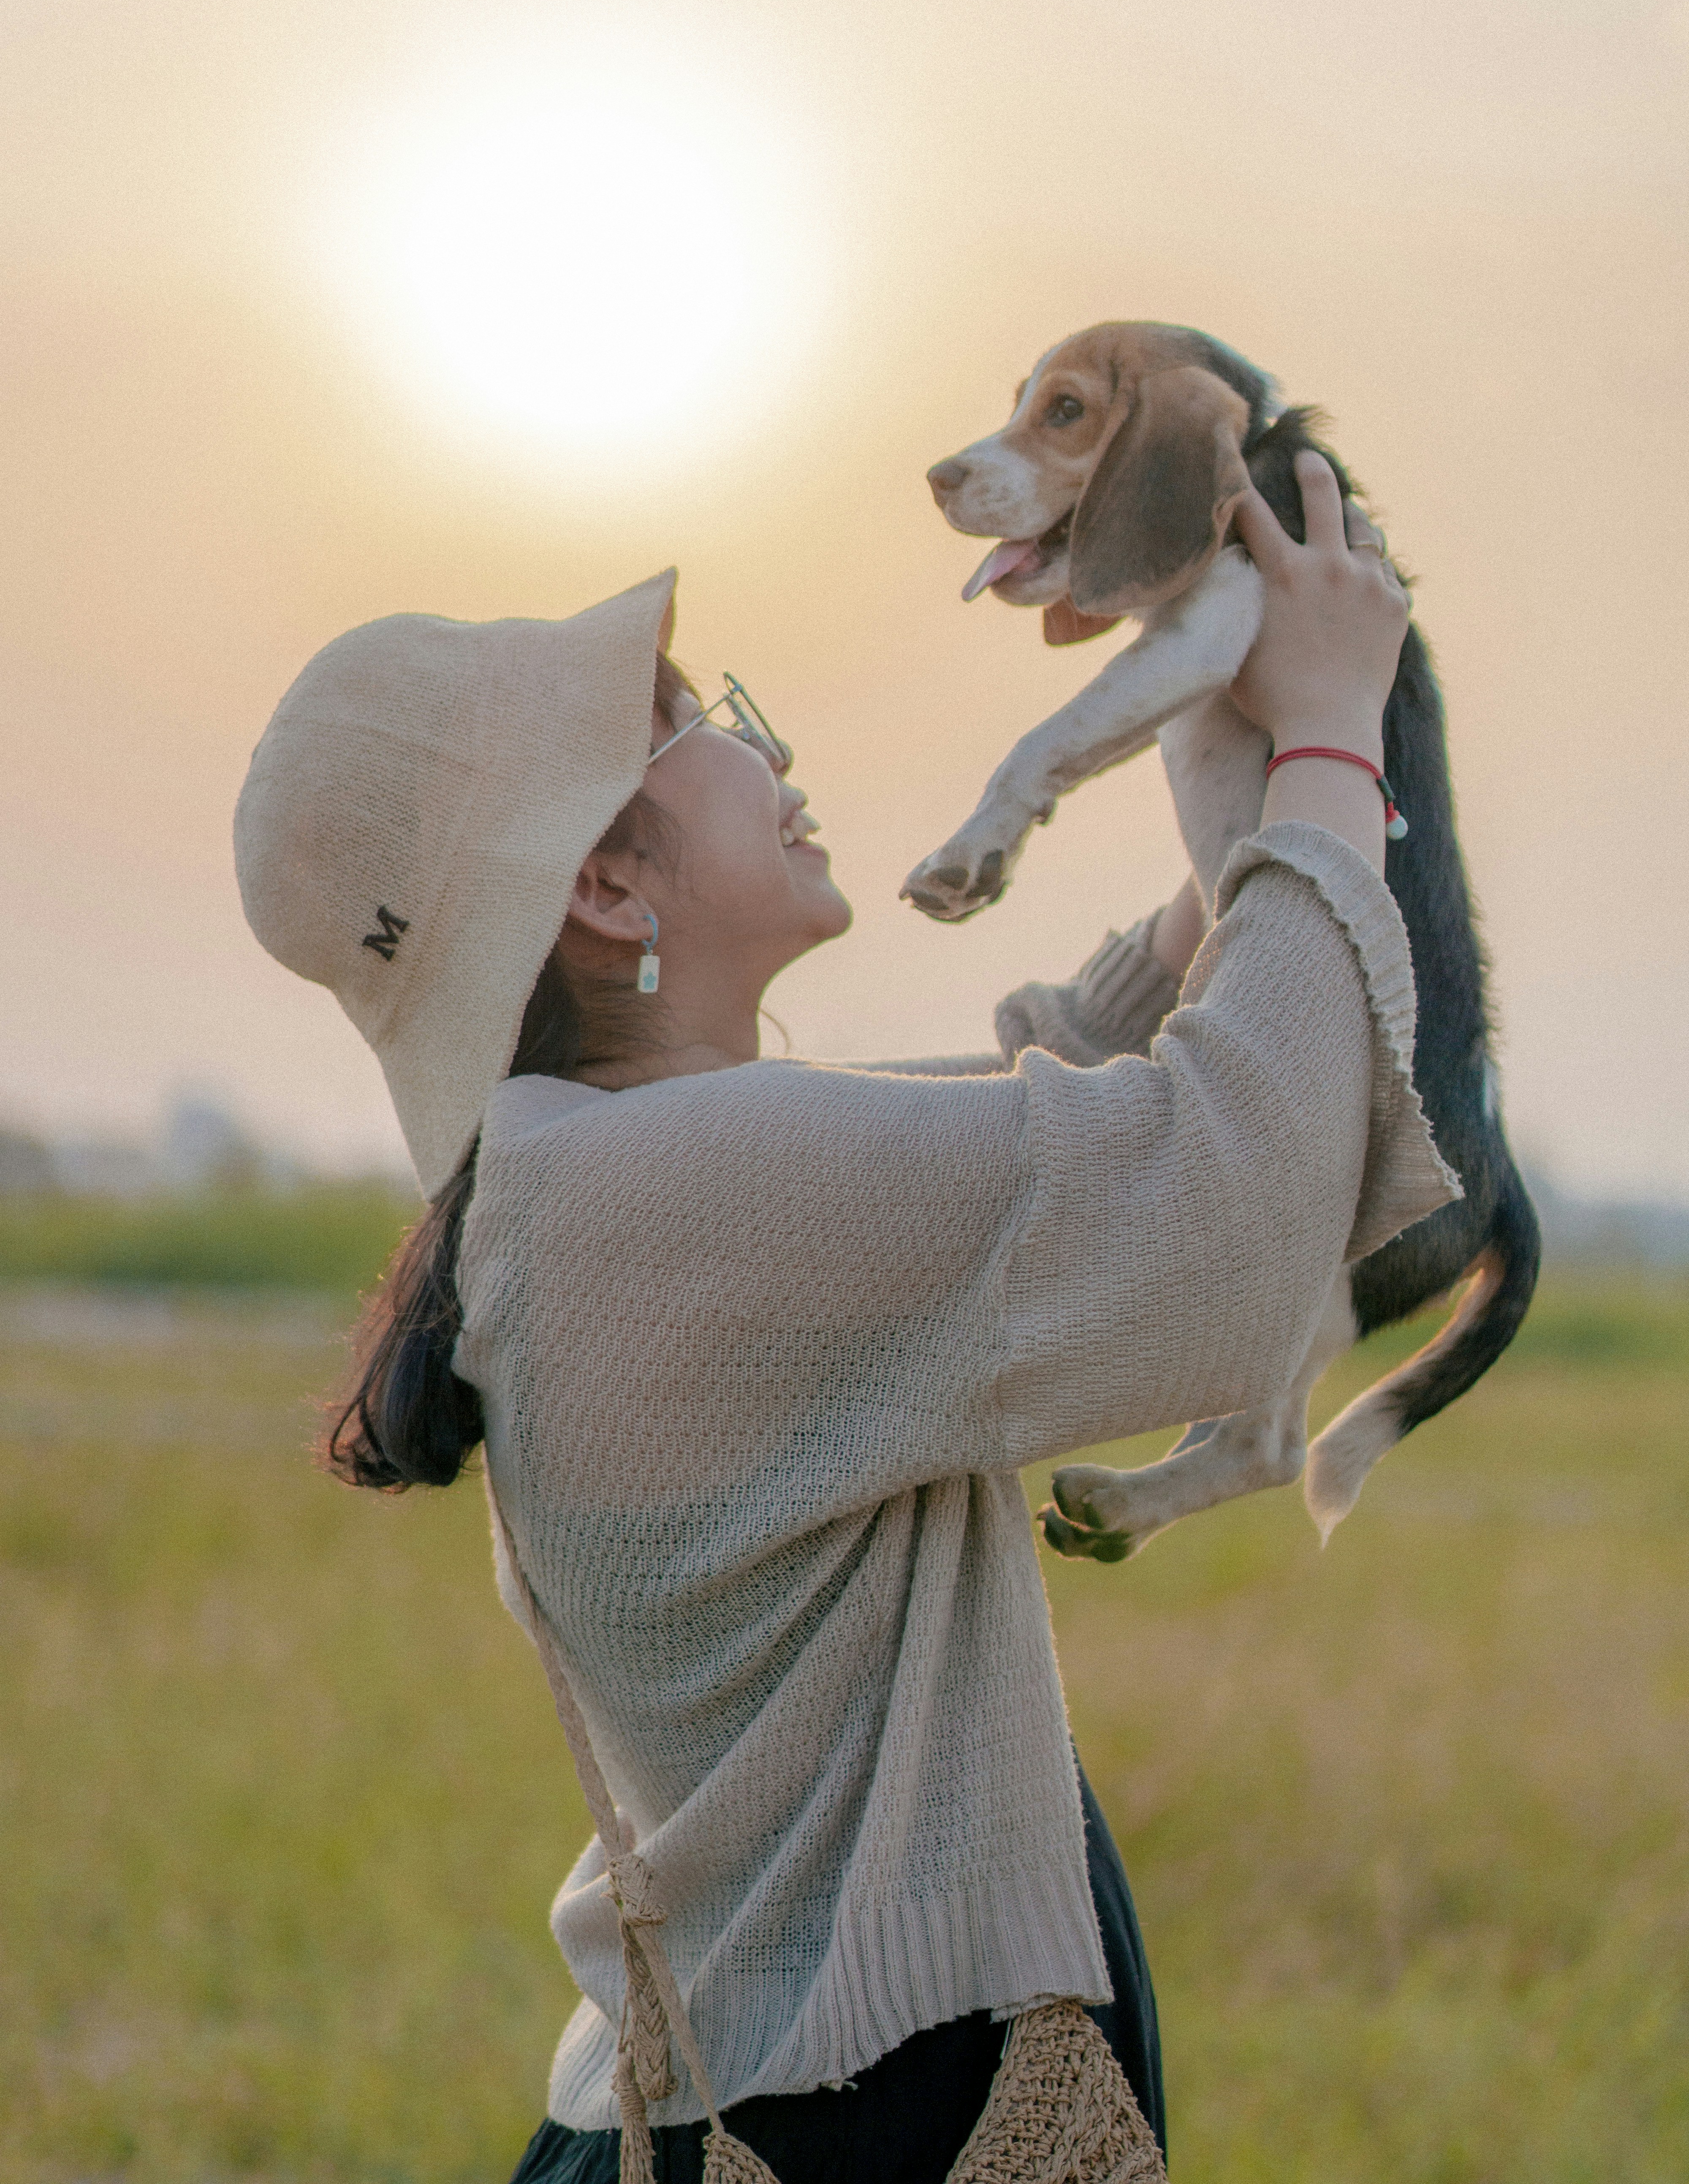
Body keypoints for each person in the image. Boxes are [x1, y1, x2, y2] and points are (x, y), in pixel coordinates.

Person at [233, 453, 1455, 2183]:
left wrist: (1229, 837)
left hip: (731, 2096)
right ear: (602, 884)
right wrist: (1326, 739)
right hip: (874, 2111)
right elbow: (1227, 1210)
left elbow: (1011, 1140)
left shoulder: (586, 1184)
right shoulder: (684, 1188)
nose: (770, 749)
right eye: (697, 722)